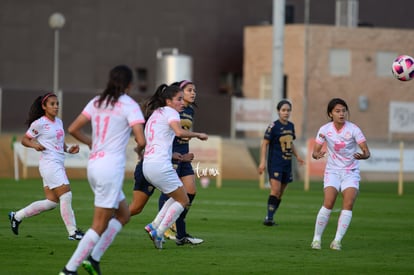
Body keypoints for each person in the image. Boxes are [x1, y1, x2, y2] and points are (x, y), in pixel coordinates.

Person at [59, 65, 146, 275]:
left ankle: (94, 259)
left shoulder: (97, 102)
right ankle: (69, 270)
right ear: (129, 84)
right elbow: (141, 139)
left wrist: (92, 142)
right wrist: (140, 148)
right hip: (110, 168)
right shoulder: (129, 105)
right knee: (99, 224)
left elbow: (72, 128)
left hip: (94, 165)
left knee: (124, 214)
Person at [8, 92, 84, 241]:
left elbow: (59, 144)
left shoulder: (59, 122)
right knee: (66, 195)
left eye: (57, 104)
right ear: (44, 106)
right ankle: (73, 232)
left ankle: (17, 216)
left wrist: (68, 149)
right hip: (49, 164)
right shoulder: (39, 123)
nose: (56, 107)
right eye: (52, 104)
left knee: (51, 202)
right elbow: (25, 140)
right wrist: (34, 145)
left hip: (56, 163)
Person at [142, 83, 208, 249]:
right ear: (168, 101)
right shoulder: (170, 112)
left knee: (176, 195)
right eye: (178, 99)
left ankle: (154, 226)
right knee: (183, 199)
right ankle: (160, 231)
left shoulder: (156, 113)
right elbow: (179, 132)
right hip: (160, 166)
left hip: (148, 165)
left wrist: (173, 155)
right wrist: (198, 134)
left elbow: (152, 140)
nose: (181, 102)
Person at [310, 98, 370, 251]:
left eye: (343, 110)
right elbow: (315, 151)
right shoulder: (324, 129)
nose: (341, 114)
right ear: (331, 114)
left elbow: (366, 151)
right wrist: (316, 154)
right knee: (328, 202)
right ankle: (316, 239)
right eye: (337, 111)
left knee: (348, 204)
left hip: (351, 172)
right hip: (333, 171)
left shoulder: (354, 129)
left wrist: (363, 155)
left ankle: (337, 241)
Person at [157, 80, 204, 245]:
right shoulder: (171, 111)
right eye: (189, 90)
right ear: (180, 92)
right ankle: (164, 228)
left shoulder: (189, 110)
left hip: (184, 156)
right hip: (172, 156)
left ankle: (179, 231)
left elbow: (184, 133)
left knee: (190, 191)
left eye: (194, 90)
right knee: (169, 193)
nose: (193, 93)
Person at [258, 99, 305, 226]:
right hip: (275, 163)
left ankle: (271, 217)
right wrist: (262, 162)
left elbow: (291, 143)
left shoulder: (291, 126)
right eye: (283, 110)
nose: (286, 112)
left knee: (280, 193)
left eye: (288, 110)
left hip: (287, 164)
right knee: (275, 190)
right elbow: (264, 144)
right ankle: (268, 218)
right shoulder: (273, 127)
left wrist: (297, 156)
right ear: (278, 111)